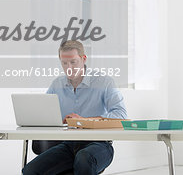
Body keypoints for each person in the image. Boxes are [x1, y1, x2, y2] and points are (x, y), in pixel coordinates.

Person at [23, 40, 127, 175]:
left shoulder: (104, 82)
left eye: (73, 62)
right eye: (64, 63)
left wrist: (83, 121)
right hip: (68, 145)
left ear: (83, 59)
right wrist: (57, 121)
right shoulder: (57, 84)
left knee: (83, 159)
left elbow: (121, 115)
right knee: (30, 170)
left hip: (99, 144)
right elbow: (46, 114)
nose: (69, 67)